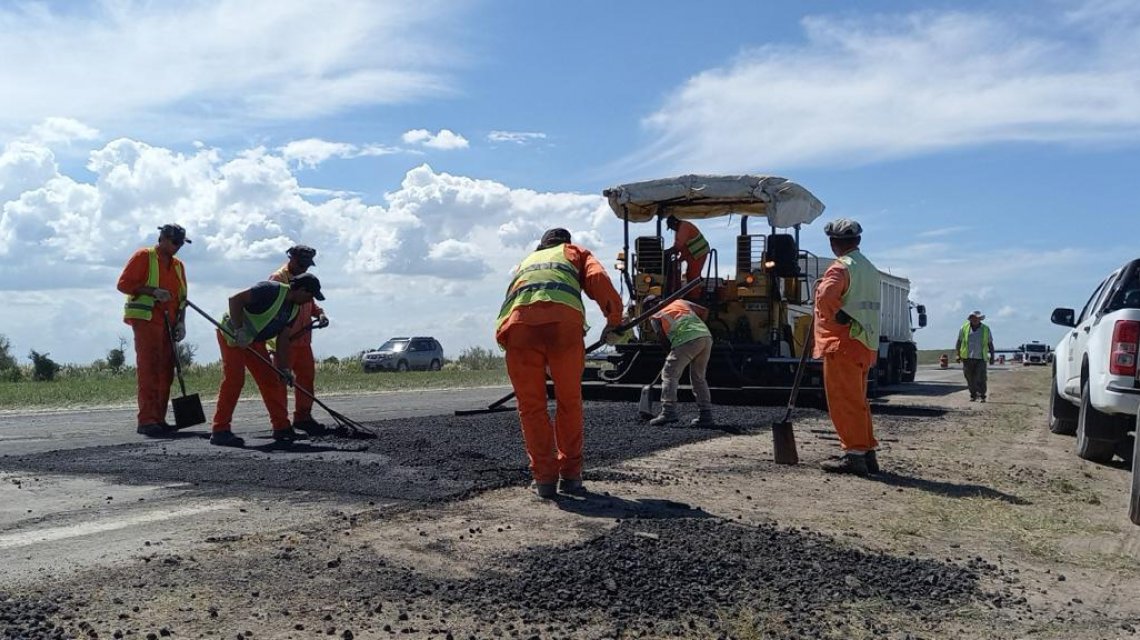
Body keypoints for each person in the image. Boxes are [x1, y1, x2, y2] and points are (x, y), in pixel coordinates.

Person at [495, 228, 624, 499]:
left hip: (519, 328)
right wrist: (614, 321)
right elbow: (598, 277)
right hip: (563, 328)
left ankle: (544, 482)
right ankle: (571, 477)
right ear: (566, 242)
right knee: (568, 401)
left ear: (542, 245)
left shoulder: (526, 261)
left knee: (531, 408)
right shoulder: (574, 253)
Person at [210, 273, 326, 448]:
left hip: (255, 339)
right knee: (235, 379)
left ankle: (282, 427)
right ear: (301, 290)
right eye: (310, 296)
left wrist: (284, 368)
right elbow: (234, 300)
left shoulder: (294, 309)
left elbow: (283, 340)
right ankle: (220, 430)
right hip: (232, 335)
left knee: (270, 380)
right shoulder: (270, 289)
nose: (310, 301)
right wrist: (239, 330)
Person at [813, 218, 882, 476]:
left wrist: (836, 314)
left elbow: (826, 296)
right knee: (858, 401)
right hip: (865, 343)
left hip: (842, 343)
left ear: (833, 243)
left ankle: (854, 454)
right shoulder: (869, 268)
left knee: (844, 401)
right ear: (859, 241)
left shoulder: (841, 268)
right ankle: (866, 452)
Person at [117, 224, 191, 438]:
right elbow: (123, 284)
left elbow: (183, 298)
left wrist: (181, 323)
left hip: (169, 323)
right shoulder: (144, 256)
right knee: (149, 369)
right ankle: (147, 420)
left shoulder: (178, 266)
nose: (178, 247)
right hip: (147, 320)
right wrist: (153, 291)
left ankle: (159, 418)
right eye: (175, 242)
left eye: (181, 244)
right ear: (163, 239)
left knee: (166, 371)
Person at [268, 245, 330, 435]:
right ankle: (282, 423)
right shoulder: (278, 279)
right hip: (283, 342)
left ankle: (303, 417)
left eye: (307, 265)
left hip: (303, 342)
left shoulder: (306, 282)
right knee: (280, 381)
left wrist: (320, 314)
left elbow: (310, 303)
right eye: (301, 264)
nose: (304, 268)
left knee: (306, 380)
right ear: (291, 259)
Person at [646, 295, 715, 427]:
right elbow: (704, 311)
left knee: (669, 374)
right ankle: (706, 415)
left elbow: (662, 338)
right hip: (705, 337)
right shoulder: (680, 302)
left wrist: (670, 353)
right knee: (699, 378)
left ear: (649, 306)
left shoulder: (655, 315)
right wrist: (697, 330)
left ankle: (668, 412)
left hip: (686, 340)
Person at [955, 310, 996, 402]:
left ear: (980, 319)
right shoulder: (964, 328)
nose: (975, 319)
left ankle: (982, 395)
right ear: (970, 318)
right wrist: (958, 355)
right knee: (969, 377)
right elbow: (959, 342)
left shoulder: (985, 329)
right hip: (967, 357)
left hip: (980, 358)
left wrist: (992, 357)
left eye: (977, 318)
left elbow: (990, 344)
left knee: (980, 377)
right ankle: (973, 394)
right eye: (973, 318)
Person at [666, 215, 710, 295]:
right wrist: (678, 258)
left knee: (693, 276)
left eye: (671, 227)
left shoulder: (684, 227)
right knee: (689, 275)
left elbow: (679, 245)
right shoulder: (679, 229)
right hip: (691, 253)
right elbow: (681, 247)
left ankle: (694, 298)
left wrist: (668, 252)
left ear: (675, 223)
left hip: (698, 252)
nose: (672, 229)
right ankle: (691, 295)